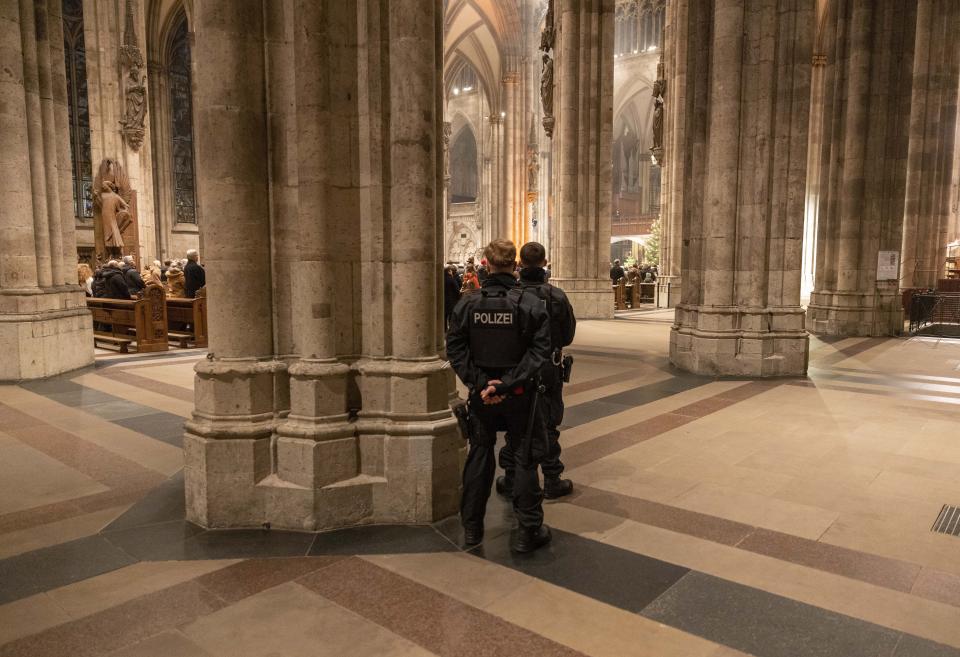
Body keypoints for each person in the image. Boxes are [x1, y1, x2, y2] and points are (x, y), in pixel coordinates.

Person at [447, 238, 553, 553]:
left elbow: (455, 347)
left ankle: (472, 529)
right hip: (519, 395)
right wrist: (507, 383)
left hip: (483, 397)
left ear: (488, 265)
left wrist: (481, 384)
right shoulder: (531, 304)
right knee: (523, 457)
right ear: (513, 265)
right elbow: (540, 351)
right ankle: (527, 532)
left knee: (480, 453)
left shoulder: (468, 303)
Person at [496, 242, 576, 500]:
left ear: (520, 262)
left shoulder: (509, 295)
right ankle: (552, 479)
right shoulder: (557, 295)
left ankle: (510, 478)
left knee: (515, 422)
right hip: (548, 369)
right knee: (549, 422)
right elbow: (567, 335)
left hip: (516, 369)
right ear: (544, 263)